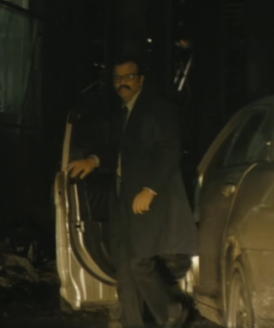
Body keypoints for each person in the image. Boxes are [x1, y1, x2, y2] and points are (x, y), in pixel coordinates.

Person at [68, 56, 198, 328]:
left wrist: (150, 189)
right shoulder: (124, 113)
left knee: (139, 261)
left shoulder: (157, 108)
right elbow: (119, 152)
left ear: (141, 80)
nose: (122, 83)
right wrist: (93, 160)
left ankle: (171, 311)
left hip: (148, 200)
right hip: (122, 201)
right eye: (117, 79)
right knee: (125, 268)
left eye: (128, 77)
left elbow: (170, 150)